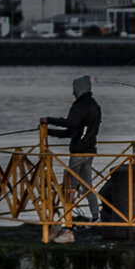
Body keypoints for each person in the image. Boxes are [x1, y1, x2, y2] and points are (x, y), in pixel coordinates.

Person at [42, 75, 102, 223]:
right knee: (87, 185)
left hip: (78, 153)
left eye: (74, 89)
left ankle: (68, 219)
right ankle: (96, 216)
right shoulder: (95, 106)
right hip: (90, 151)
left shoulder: (79, 107)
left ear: (79, 90)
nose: (73, 93)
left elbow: (69, 124)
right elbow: (72, 131)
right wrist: (48, 131)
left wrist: (48, 120)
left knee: (71, 185)